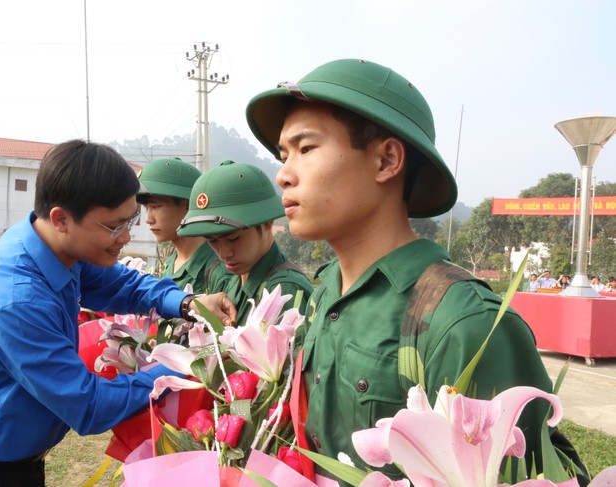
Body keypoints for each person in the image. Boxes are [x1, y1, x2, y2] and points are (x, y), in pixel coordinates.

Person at [245, 59, 586, 484]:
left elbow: (529, 472)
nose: (283, 175)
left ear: (386, 160)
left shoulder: (463, 323)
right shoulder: (323, 296)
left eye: (306, 149)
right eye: (283, 155)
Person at [0, 140, 236, 487]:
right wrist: (180, 365)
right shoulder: (16, 301)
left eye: (129, 221)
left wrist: (187, 303)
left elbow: (122, 285)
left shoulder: (53, 249)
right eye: (114, 226)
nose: (126, 236)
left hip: (12, 462)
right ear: (61, 219)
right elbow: (88, 406)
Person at [176, 160, 313, 325]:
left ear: (267, 221)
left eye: (233, 238)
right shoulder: (233, 283)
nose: (224, 253)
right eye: (212, 241)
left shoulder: (286, 290)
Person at [137, 157, 232, 294]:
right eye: (146, 208)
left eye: (156, 206)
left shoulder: (219, 273)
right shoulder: (171, 263)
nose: (148, 219)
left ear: (187, 205)